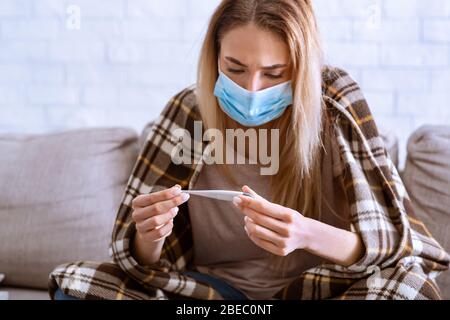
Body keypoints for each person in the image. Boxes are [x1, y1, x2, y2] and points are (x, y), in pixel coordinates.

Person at [51, 0, 448, 300]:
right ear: (214, 58)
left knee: (405, 286)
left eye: (275, 73)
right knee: (78, 280)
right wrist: (150, 234)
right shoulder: (191, 113)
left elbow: (393, 245)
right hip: (214, 295)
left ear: (303, 66)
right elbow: (144, 261)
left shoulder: (335, 104)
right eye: (235, 68)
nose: (251, 89)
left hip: (326, 291)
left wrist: (306, 233)